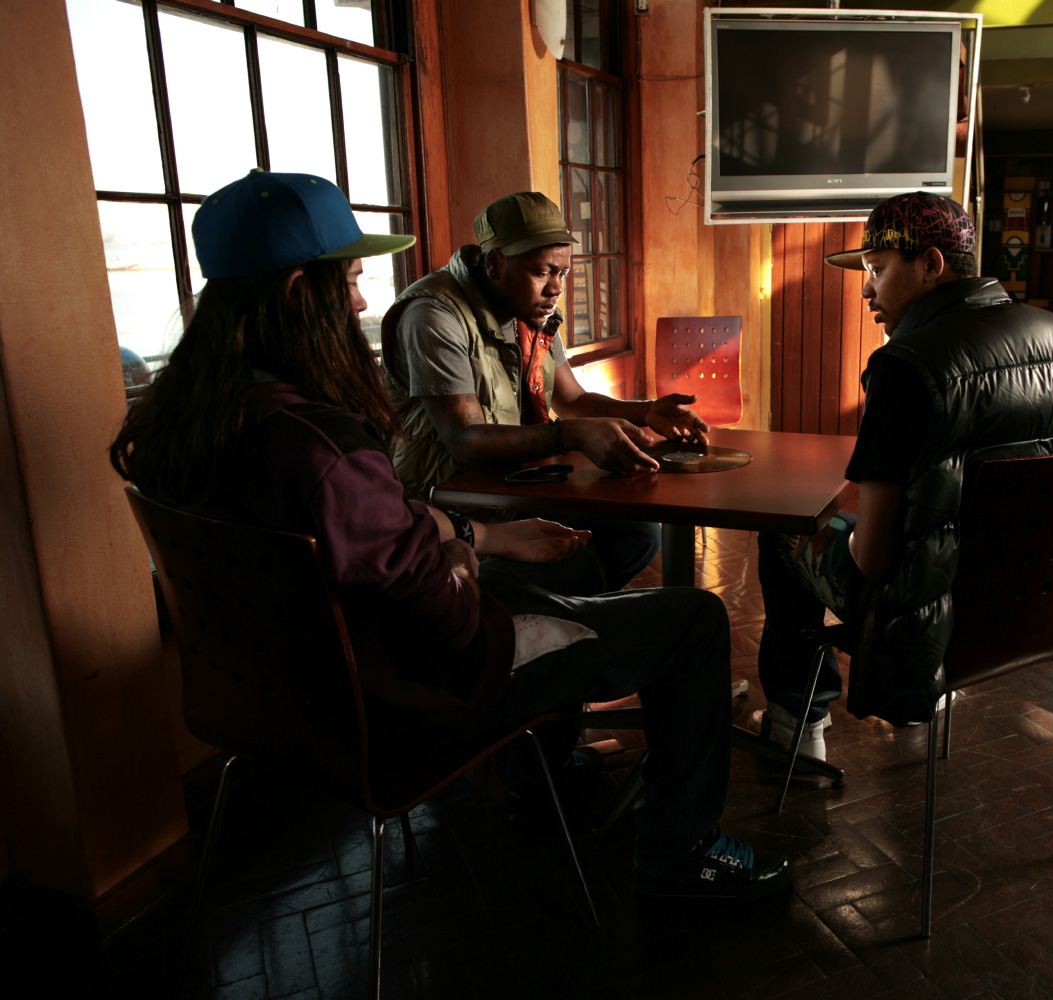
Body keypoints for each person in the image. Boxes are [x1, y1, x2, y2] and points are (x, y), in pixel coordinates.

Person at [110, 170, 791, 902]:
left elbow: (374, 549)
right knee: (692, 619)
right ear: (297, 293)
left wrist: (470, 544)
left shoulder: (182, 428)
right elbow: (454, 619)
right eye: (352, 280)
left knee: (566, 568)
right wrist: (468, 553)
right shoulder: (323, 448)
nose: (364, 300)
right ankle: (680, 852)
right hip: (413, 696)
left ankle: (547, 766)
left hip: (291, 702)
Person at [754, 191, 1053, 760]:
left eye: (876, 270)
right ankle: (928, 700)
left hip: (930, 618)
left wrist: (836, 528)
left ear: (930, 264)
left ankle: (796, 725)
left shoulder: (906, 368)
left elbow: (871, 560)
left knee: (782, 538)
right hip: (1048, 603)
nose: (866, 289)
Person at [382, 191, 710, 594]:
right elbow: (464, 441)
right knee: (580, 566)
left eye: (564, 273)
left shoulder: (534, 312)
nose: (556, 289)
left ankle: (554, 617)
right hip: (452, 504)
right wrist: (567, 434)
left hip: (515, 483)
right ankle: (521, 619)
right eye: (543, 272)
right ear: (495, 263)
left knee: (637, 534)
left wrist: (647, 412)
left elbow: (573, 400)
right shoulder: (435, 316)